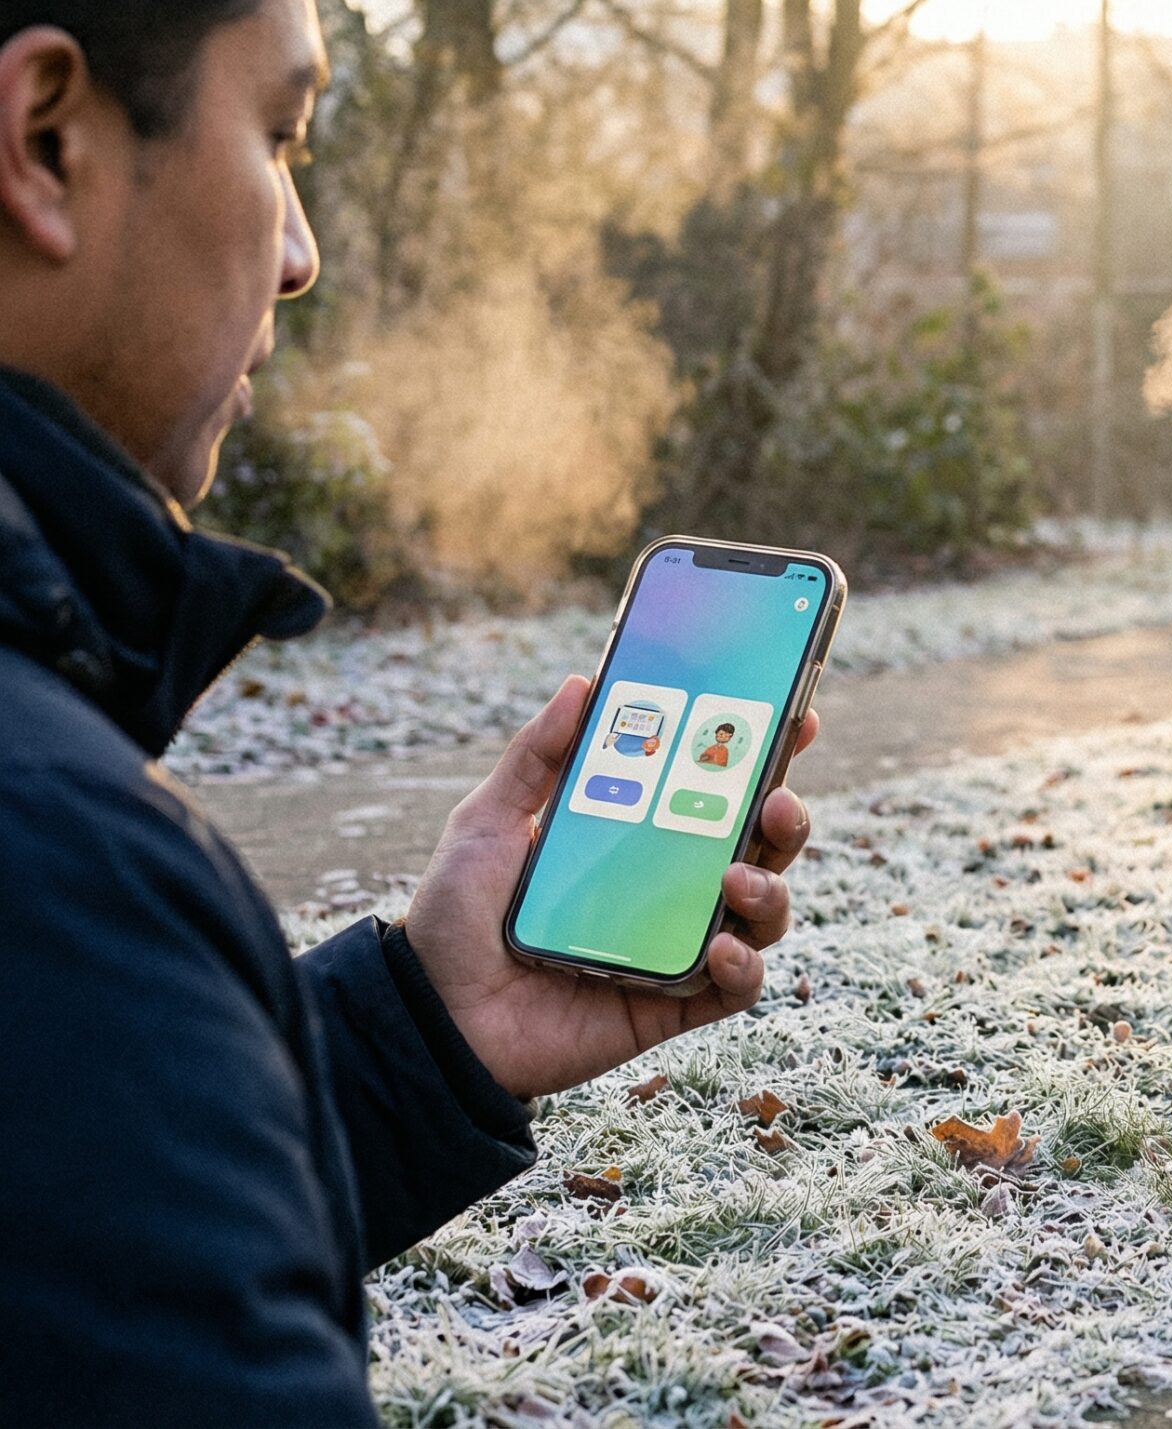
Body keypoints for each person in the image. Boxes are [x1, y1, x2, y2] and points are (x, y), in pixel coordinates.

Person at [0, 2, 818, 1419]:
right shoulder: (61, 875)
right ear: (46, 136)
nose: (302, 253)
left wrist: (424, 1026)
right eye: (277, 134)